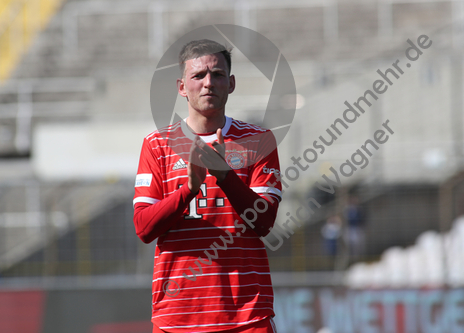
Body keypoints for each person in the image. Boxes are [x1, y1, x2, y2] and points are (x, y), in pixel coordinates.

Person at [133, 39, 282, 332]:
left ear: (231, 83)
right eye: (198, 76)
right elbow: (144, 228)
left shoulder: (259, 141)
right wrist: (188, 189)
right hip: (177, 318)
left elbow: (264, 221)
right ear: (181, 87)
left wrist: (225, 176)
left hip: (246, 317)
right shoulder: (157, 145)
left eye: (217, 74)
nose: (208, 83)